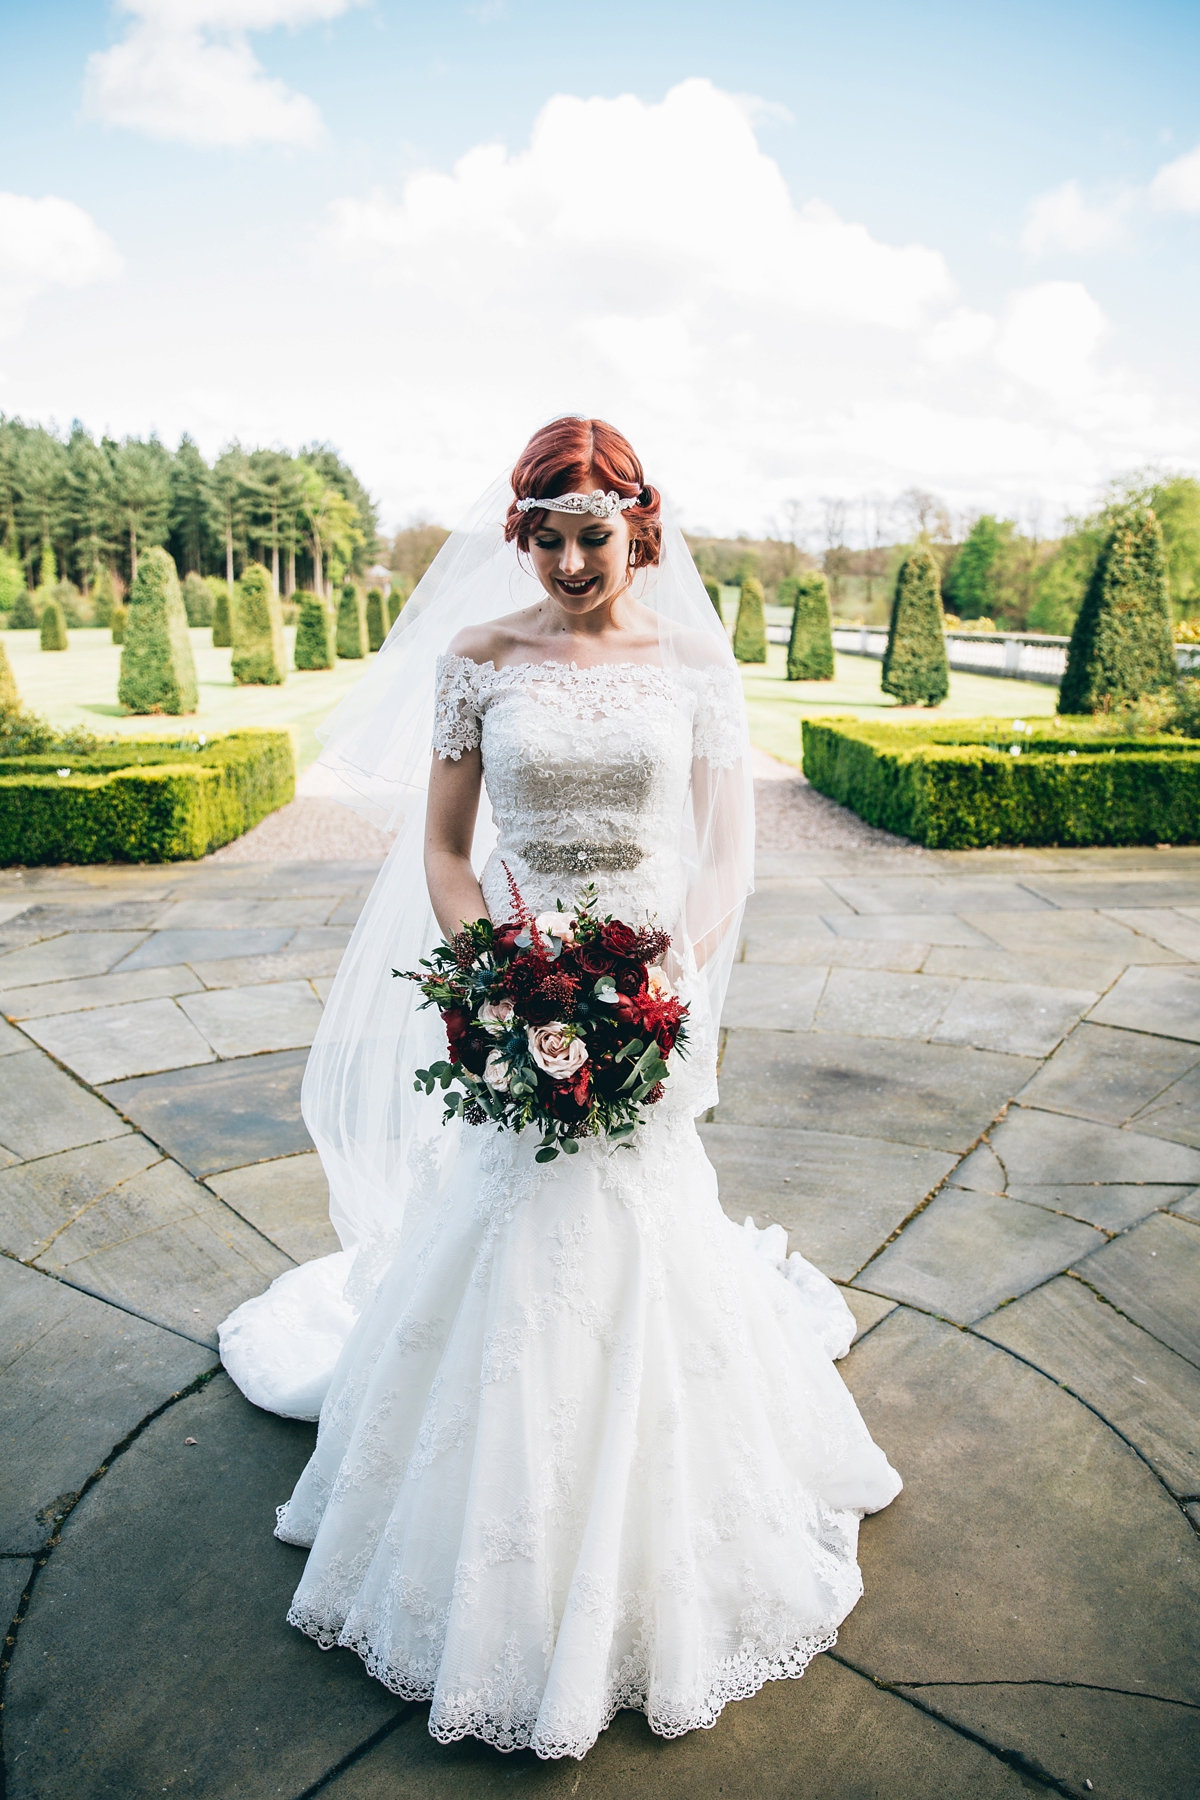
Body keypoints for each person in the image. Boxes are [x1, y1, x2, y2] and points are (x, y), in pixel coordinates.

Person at [219, 417, 900, 1761]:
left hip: (649, 994)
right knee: (512, 1218)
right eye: (551, 536)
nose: (577, 560)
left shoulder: (696, 666)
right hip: (521, 988)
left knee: (645, 1224)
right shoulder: (478, 663)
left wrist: (657, 985)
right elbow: (446, 848)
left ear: (641, 525)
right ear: (519, 536)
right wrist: (501, 972)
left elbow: (720, 859)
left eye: (598, 534)